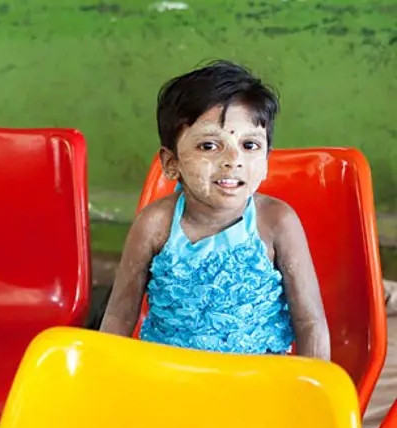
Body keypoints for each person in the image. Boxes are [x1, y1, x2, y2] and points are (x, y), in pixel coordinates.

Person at [99, 61, 330, 359]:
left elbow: (310, 323)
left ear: (266, 160)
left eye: (249, 145)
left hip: (259, 383)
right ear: (171, 164)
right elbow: (118, 317)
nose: (232, 160)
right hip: (171, 379)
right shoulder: (155, 225)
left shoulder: (276, 222)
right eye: (209, 146)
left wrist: (312, 395)